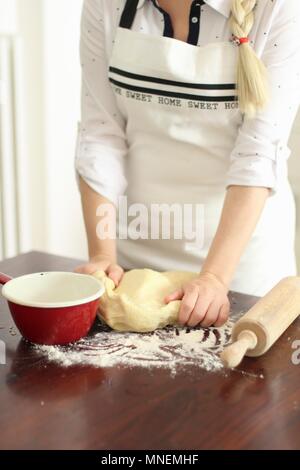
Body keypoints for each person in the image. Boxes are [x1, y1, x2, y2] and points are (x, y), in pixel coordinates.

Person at [74, 0, 300, 327]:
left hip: (242, 276)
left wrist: (214, 278)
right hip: (135, 271)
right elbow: (100, 136)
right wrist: (103, 257)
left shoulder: (276, 7)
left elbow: (258, 154)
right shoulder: (105, 4)